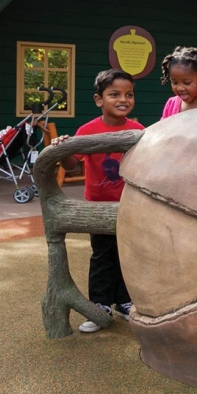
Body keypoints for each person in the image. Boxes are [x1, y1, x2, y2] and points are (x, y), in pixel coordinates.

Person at [54, 69, 145, 332]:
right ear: (99, 99)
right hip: (98, 207)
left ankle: (125, 301)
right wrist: (63, 147)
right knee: (103, 255)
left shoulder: (138, 131)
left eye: (129, 94)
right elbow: (71, 165)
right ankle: (100, 304)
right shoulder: (88, 130)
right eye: (114, 94)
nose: (123, 99)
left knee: (127, 255)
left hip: (128, 206)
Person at [160, 46, 197, 118]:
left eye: (187, 82)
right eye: (174, 82)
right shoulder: (171, 104)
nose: (180, 88)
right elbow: (163, 128)